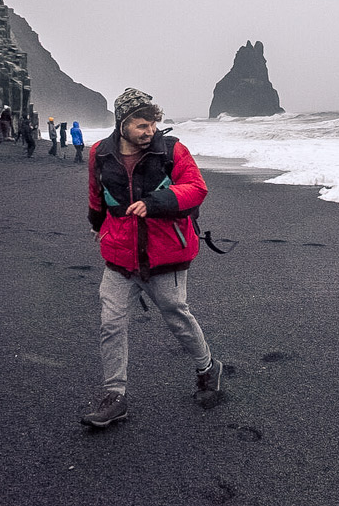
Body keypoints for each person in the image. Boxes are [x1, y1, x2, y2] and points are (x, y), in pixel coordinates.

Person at [80, 88, 223, 428]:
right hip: (119, 254)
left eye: (153, 124)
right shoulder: (100, 153)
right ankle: (115, 395)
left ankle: (208, 368)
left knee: (176, 316)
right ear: (123, 123)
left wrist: (155, 202)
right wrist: (97, 224)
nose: (150, 131)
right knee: (110, 323)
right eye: (142, 125)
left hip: (165, 252)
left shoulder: (172, 150)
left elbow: (196, 187)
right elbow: (96, 194)